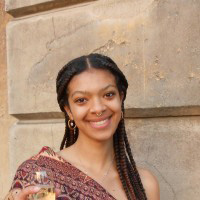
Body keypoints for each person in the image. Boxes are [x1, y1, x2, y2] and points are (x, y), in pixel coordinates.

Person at [5, 53, 160, 200]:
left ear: (121, 97)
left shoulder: (144, 185)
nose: (98, 108)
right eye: (81, 100)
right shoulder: (44, 175)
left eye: (108, 95)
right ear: (68, 110)